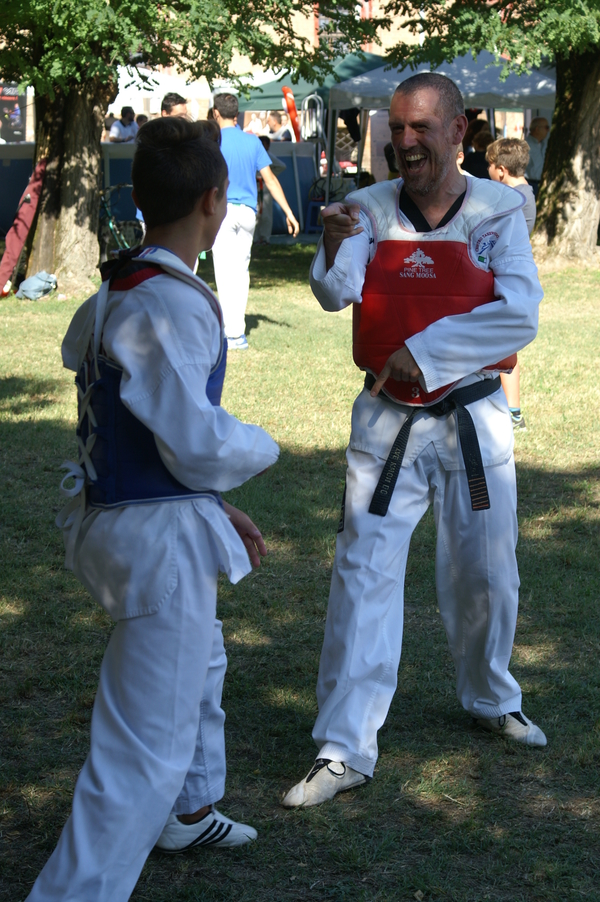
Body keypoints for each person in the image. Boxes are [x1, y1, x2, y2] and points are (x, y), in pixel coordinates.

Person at [25, 117, 280, 902]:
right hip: (151, 536)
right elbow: (195, 441)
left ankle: (189, 810)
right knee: (141, 749)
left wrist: (209, 504)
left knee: (202, 659)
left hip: (124, 515)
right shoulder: (166, 301)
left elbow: (137, 420)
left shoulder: (121, 288)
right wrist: (262, 447)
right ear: (214, 201)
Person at [282, 72, 546, 811]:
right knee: (361, 575)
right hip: (387, 419)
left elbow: (520, 313)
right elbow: (336, 292)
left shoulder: (499, 210)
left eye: (421, 127)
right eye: (397, 128)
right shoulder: (368, 207)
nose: (405, 142)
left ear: (459, 131)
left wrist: (425, 352)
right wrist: (331, 246)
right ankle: (344, 746)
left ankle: (492, 696)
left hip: (472, 417)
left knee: (486, 572)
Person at [211, 93, 299, 349]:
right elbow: (270, 179)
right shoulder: (253, 142)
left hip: (222, 211)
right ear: (237, 115)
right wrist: (289, 212)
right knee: (241, 271)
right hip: (248, 213)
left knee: (224, 272)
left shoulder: (212, 142)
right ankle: (237, 333)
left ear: (216, 113)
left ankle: (230, 332)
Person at [486, 137, 536, 432]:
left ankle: (513, 412)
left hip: (505, 279)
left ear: (501, 170)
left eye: (490, 167)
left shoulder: (513, 200)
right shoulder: (524, 192)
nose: (488, 172)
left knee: (505, 349)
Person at [254, 134, 287, 245]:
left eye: (264, 144)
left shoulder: (268, 156)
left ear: (268, 145)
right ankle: (255, 238)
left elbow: (281, 166)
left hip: (265, 186)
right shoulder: (254, 155)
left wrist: (269, 176)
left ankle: (265, 238)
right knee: (256, 212)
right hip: (255, 185)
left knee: (266, 213)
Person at [525, 117, 550, 197]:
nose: (548, 131)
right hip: (530, 184)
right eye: (546, 127)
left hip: (543, 184)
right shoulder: (525, 145)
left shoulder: (545, 144)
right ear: (537, 129)